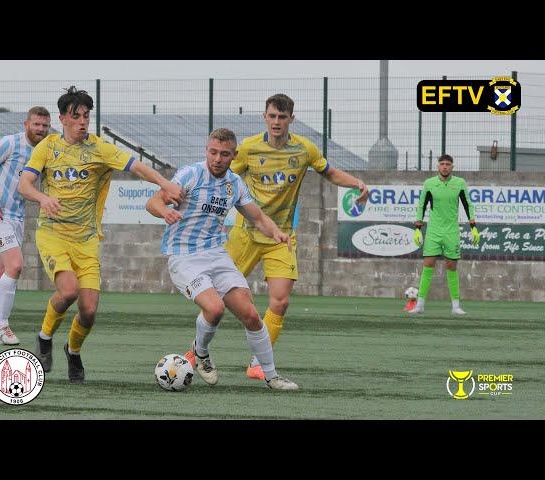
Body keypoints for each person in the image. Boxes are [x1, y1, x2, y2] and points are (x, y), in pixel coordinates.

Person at [18, 86, 182, 384]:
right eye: (76, 116)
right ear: (63, 119)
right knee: (68, 291)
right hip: (53, 234)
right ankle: (44, 337)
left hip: (87, 239)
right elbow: (25, 184)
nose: (82, 121)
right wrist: (43, 199)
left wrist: (165, 183)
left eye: (86, 116)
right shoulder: (48, 147)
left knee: (89, 310)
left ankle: (73, 351)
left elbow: (138, 167)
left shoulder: (100, 148)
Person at [221, 93, 369, 380]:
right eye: (272, 116)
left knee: (280, 301)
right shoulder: (249, 148)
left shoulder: (304, 150)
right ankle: (198, 352)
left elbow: (330, 172)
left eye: (282, 117)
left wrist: (358, 183)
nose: (277, 122)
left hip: (282, 237)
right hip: (246, 234)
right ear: (264, 117)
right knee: (216, 297)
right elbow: (222, 173)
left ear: (292, 119)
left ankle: (257, 362)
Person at [146, 128, 299, 390]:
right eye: (213, 152)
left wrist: (276, 232)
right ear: (206, 150)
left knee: (251, 315)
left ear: (233, 156)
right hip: (184, 256)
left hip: (217, 254)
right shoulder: (190, 175)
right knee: (214, 308)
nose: (217, 158)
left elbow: (258, 217)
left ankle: (271, 376)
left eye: (224, 154)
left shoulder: (235, 183)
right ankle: (202, 352)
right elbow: (153, 202)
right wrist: (165, 212)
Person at [0, 106, 51, 345]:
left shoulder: (43, 152)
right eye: (36, 124)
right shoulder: (9, 143)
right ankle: (2, 324)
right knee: (16, 265)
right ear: (26, 124)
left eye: (44, 126)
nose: (40, 129)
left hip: (17, 219)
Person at [409, 154, 480, 315]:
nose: (445, 166)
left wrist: (473, 227)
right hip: (434, 231)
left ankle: (456, 306)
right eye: (442, 164)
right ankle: (419, 305)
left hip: (451, 231)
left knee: (452, 266)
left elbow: (468, 204)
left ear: (452, 167)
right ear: (438, 166)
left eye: (448, 164)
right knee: (428, 264)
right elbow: (421, 205)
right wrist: (418, 228)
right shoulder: (429, 184)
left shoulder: (459, 183)